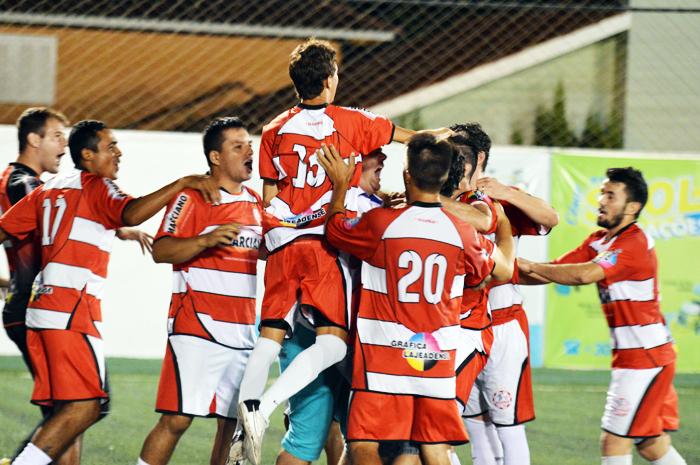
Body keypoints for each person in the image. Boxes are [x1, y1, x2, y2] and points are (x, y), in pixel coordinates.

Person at [232, 38, 451, 465]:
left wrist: (279, 228)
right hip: (322, 243)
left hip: (280, 240)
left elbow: (270, 193)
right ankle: (264, 413)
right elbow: (417, 140)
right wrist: (449, 136)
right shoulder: (352, 121)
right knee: (334, 345)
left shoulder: (273, 129)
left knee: (270, 337)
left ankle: (246, 428)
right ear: (331, 80)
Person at [0, 120, 220, 465]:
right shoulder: (99, 186)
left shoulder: (52, 186)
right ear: (87, 155)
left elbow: (5, 229)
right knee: (87, 406)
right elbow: (130, 212)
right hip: (71, 310)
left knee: (68, 411)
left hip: (42, 309)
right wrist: (182, 182)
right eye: (110, 147)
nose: (119, 153)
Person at [318, 134, 515, 465]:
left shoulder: (381, 223)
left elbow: (336, 229)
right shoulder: (462, 233)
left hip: (382, 357)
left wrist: (340, 186)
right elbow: (503, 270)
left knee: (364, 442)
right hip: (434, 357)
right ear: (443, 178)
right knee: (434, 447)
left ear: (407, 175)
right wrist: (505, 226)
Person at [0, 108, 150, 465]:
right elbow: (61, 208)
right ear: (33, 140)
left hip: (34, 301)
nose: (64, 144)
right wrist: (118, 222)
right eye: (56, 136)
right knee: (84, 405)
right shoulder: (30, 185)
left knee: (73, 407)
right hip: (51, 304)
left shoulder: (24, 182)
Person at [518, 167, 686, 465]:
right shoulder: (599, 240)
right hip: (642, 357)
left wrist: (525, 265)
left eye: (611, 195)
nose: (601, 200)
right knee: (650, 443)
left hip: (646, 358)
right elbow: (554, 271)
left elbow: (583, 275)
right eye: (601, 193)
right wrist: (502, 274)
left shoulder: (633, 243)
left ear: (632, 208)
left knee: (613, 441)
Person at [136, 118, 264, 465]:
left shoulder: (256, 203)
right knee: (176, 420)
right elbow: (162, 250)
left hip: (242, 333)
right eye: (238, 146)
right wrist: (206, 239)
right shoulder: (191, 197)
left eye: (249, 144)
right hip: (197, 327)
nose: (248, 151)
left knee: (235, 425)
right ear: (216, 157)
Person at [274, 148, 388, 465]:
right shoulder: (367, 210)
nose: (383, 161)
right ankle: (263, 405)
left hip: (315, 332)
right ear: (349, 163)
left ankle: (264, 405)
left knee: (326, 438)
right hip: (336, 337)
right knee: (351, 439)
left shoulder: (307, 202)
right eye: (374, 155)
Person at [455, 123, 559, 465]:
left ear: (478, 157)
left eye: (459, 150)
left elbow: (550, 217)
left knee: (507, 425)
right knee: (475, 426)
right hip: (463, 326)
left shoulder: (500, 198)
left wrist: (507, 193)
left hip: (503, 325)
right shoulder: (447, 199)